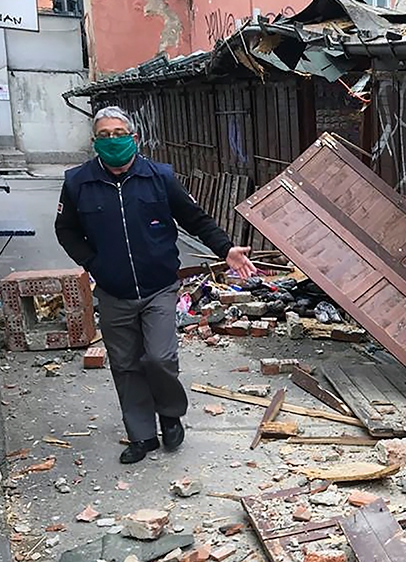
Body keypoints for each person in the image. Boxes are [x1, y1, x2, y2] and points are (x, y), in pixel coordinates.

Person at [55, 106, 258, 464]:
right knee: (125, 364)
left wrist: (225, 249)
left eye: (119, 133)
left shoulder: (159, 177)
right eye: (104, 135)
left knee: (160, 357)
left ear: (134, 138)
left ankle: (169, 413)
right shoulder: (77, 182)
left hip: (159, 287)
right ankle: (141, 435)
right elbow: (66, 230)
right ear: (94, 142)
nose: (112, 140)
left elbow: (195, 219)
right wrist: (93, 263)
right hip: (113, 290)